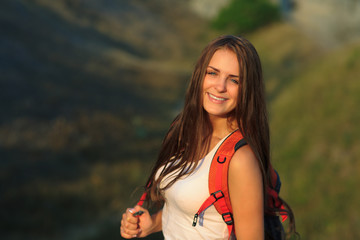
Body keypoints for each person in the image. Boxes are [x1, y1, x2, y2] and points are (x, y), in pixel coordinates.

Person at [120, 35, 296, 239]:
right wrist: (153, 223)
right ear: (200, 76)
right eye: (213, 73)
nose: (220, 86)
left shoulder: (240, 160)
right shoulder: (184, 130)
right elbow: (191, 209)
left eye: (234, 80)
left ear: (248, 90)